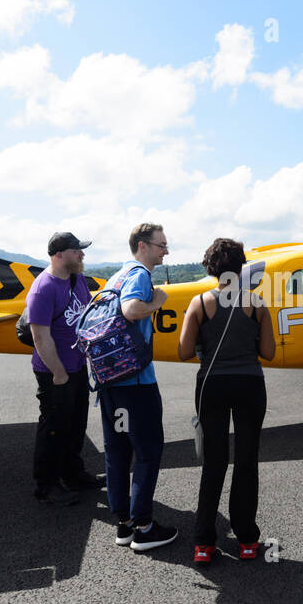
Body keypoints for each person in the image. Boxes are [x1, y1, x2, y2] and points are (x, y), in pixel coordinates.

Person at [177, 238, 276, 565]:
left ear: (211, 267)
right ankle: (247, 539)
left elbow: (184, 351)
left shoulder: (199, 303)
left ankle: (204, 543)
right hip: (250, 383)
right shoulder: (256, 303)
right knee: (247, 460)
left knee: (214, 462)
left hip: (212, 385)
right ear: (240, 267)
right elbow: (269, 353)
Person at [100, 223, 177, 552]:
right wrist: (157, 301)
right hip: (136, 383)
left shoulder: (114, 277)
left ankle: (124, 524)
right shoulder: (140, 276)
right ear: (143, 246)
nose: (166, 250)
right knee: (148, 452)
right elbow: (131, 310)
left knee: (117, 451)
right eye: (161, 245)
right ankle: (144, 527)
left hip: (110, 382)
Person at [28, 231, 104, 502]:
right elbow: (40, 336)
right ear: (59, 254)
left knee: (75, 423)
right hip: (53, 370)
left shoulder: (77, 279)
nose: (82, 254)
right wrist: (58, 372)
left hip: (76, 365)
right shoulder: (42, 288)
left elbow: (87, 317)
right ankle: (46, 485)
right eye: (76, 250)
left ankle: (73, 475)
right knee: (53, 427)